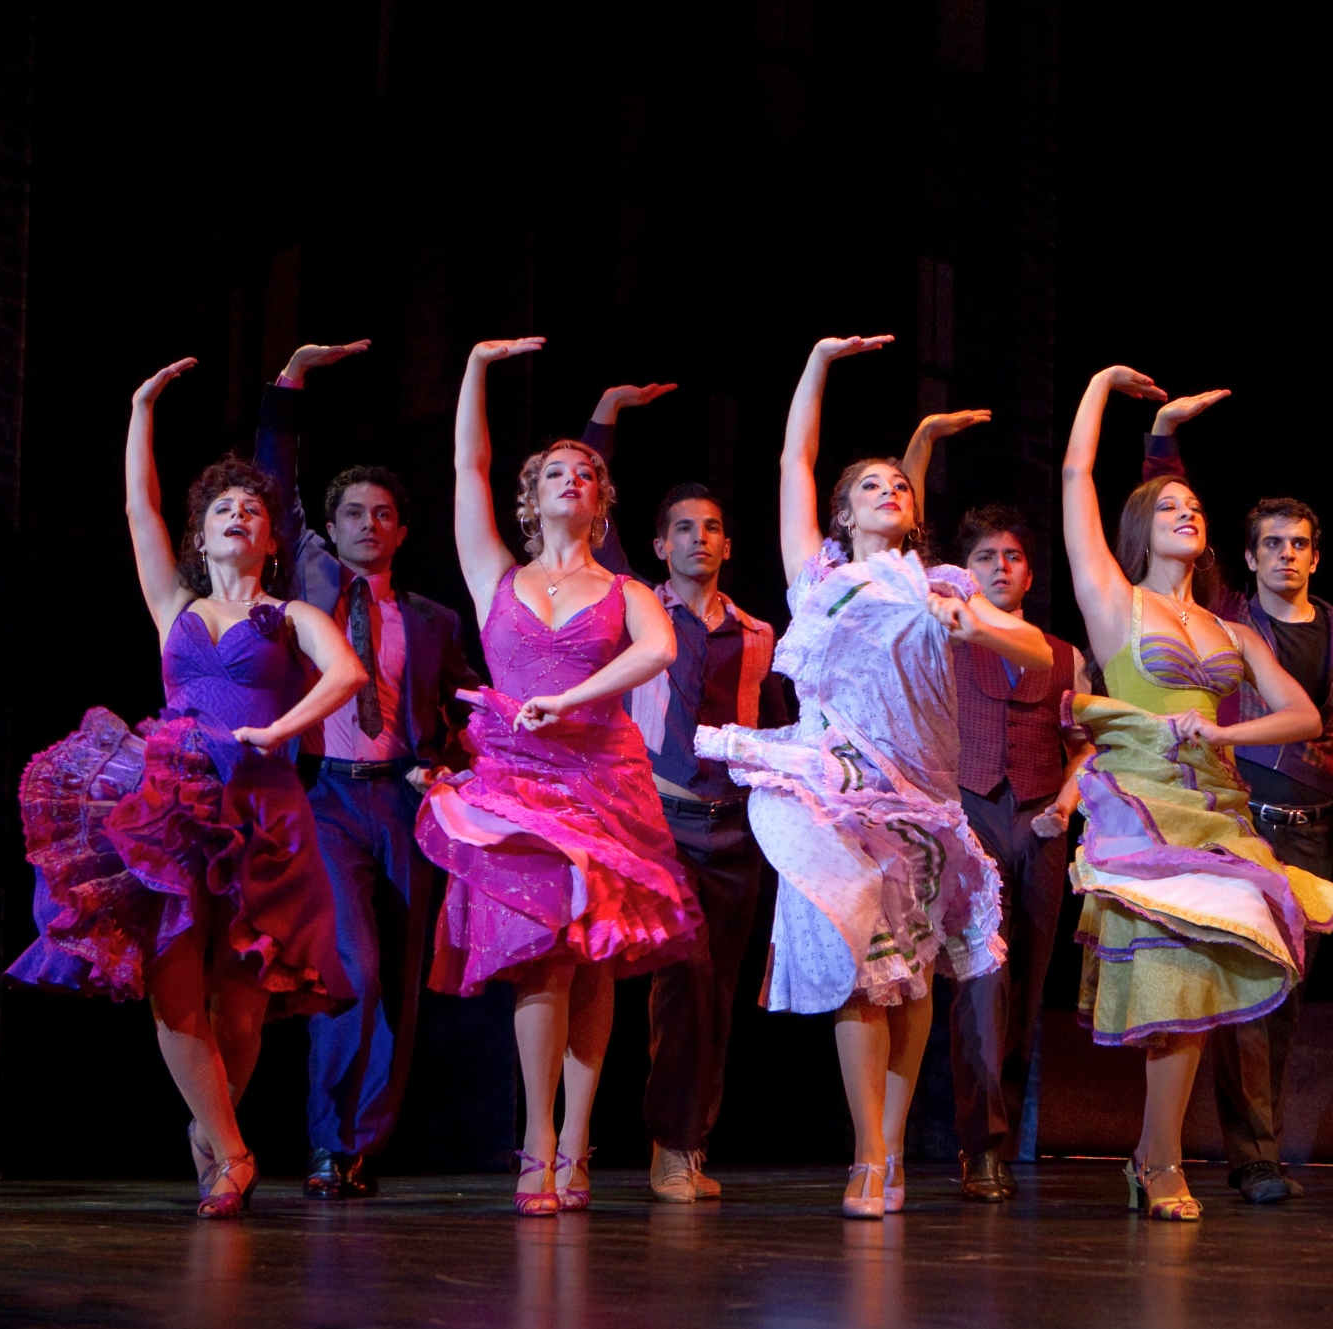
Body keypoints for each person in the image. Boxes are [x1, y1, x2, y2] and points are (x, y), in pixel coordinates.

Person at [693, 334, 1051, 1218]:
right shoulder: (818, 578)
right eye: (869, 486)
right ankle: (869, 1154)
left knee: (913, 975)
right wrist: (815, 362)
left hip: (922, 799)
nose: (888, 491)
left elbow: (1036, 647)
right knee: (860, 970)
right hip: (838, 787)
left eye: (900, 483)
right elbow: (794, 457)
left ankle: (889, 1151)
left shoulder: (938, 584)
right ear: (844, 513)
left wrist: (976, 628)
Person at [9, 358, 365, 1217]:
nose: (238, 515)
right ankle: (232, 1153)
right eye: (220, 510)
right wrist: (139, 406)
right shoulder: (174, 604)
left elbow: (346, 674)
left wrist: (280, 730)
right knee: (172, 986)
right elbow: (138, 509)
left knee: (239, 1004)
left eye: (252, 508)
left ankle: (215, 1145)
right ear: (201, 537)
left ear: (272, 537)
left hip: (265, 811)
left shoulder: (294, 616)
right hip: (173, 806)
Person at [415, 337, 700, 1216]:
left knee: (595, 964)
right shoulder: (494, 572)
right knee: (540, 956)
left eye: (585, 471)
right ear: (531, 498)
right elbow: (469, 460)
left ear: (601, 498)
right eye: (555, 473)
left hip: (602, 777)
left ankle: (578, 1140)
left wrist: (572, 693)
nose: (571, 478)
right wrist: (473, 367)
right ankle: (536, 1138)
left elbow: (659, 651)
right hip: (517, 781)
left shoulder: (626, 592)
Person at [1059, 365, 1333, 1222]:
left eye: (1196, 508)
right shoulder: (1113, 599)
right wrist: (1103, 387)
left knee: (1203, 978)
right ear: (1141, 526)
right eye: (1171, 506)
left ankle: (1157, 1154)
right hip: (1142, 799)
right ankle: (1162, 1160)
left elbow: (1301, 713)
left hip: (1217, 805)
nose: (1190, 513)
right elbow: (1076, 476)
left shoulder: (1228, 626)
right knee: (1178, 977)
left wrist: (1226, 733)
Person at [1137, 395, 1333, 1204]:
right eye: (1272, 544)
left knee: (1283, 993)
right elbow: (1166, 524)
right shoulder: (1228, 618)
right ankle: (1253, 1159)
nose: (1287, 554)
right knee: (1240, 986)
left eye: (1299, 544)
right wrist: (1163, 440)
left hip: (1314, 829)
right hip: (1239, 821)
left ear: (1317, 555)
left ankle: (1258, 1148)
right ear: (1246, 557)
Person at [246, 339, 481, 1202]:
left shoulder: (433, 618)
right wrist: (288, 385)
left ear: (402, 529)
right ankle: (324, 1140)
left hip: (403, 807)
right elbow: (274, 485)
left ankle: (362, 1146)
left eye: (382, 513)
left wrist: (450, 764)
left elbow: (467, 711)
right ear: (331, 525)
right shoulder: (307, 577)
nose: (367, 524)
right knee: (354, 965)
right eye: (353, 511)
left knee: (402, 986)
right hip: (327, 798)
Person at [569, 383, 792, 1203]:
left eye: (712, 527)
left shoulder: (760, 632)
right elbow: (593, 519)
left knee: (714, 993)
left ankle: (688, 1142)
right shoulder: (635, 607)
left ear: (728, 544)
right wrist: (605, 421)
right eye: (683, 529)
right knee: (679, 978)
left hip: (733, 826)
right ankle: (650, 1144)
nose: (699, 538)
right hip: (657, 818)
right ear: (659, 546)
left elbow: (773, 731)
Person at [918, 502, 1090, 1203]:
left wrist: (1067, 803)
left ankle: (1006, 1136)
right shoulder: (952, 634)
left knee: (1027, 988)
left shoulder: (1064, 654)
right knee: (982, 984)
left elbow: (1084, 745)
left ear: (1028, 571)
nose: (999, 567)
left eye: (1011, 556)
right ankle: (980, 1146)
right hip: (973, 813)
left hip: (1042, 823)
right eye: (985, 557)